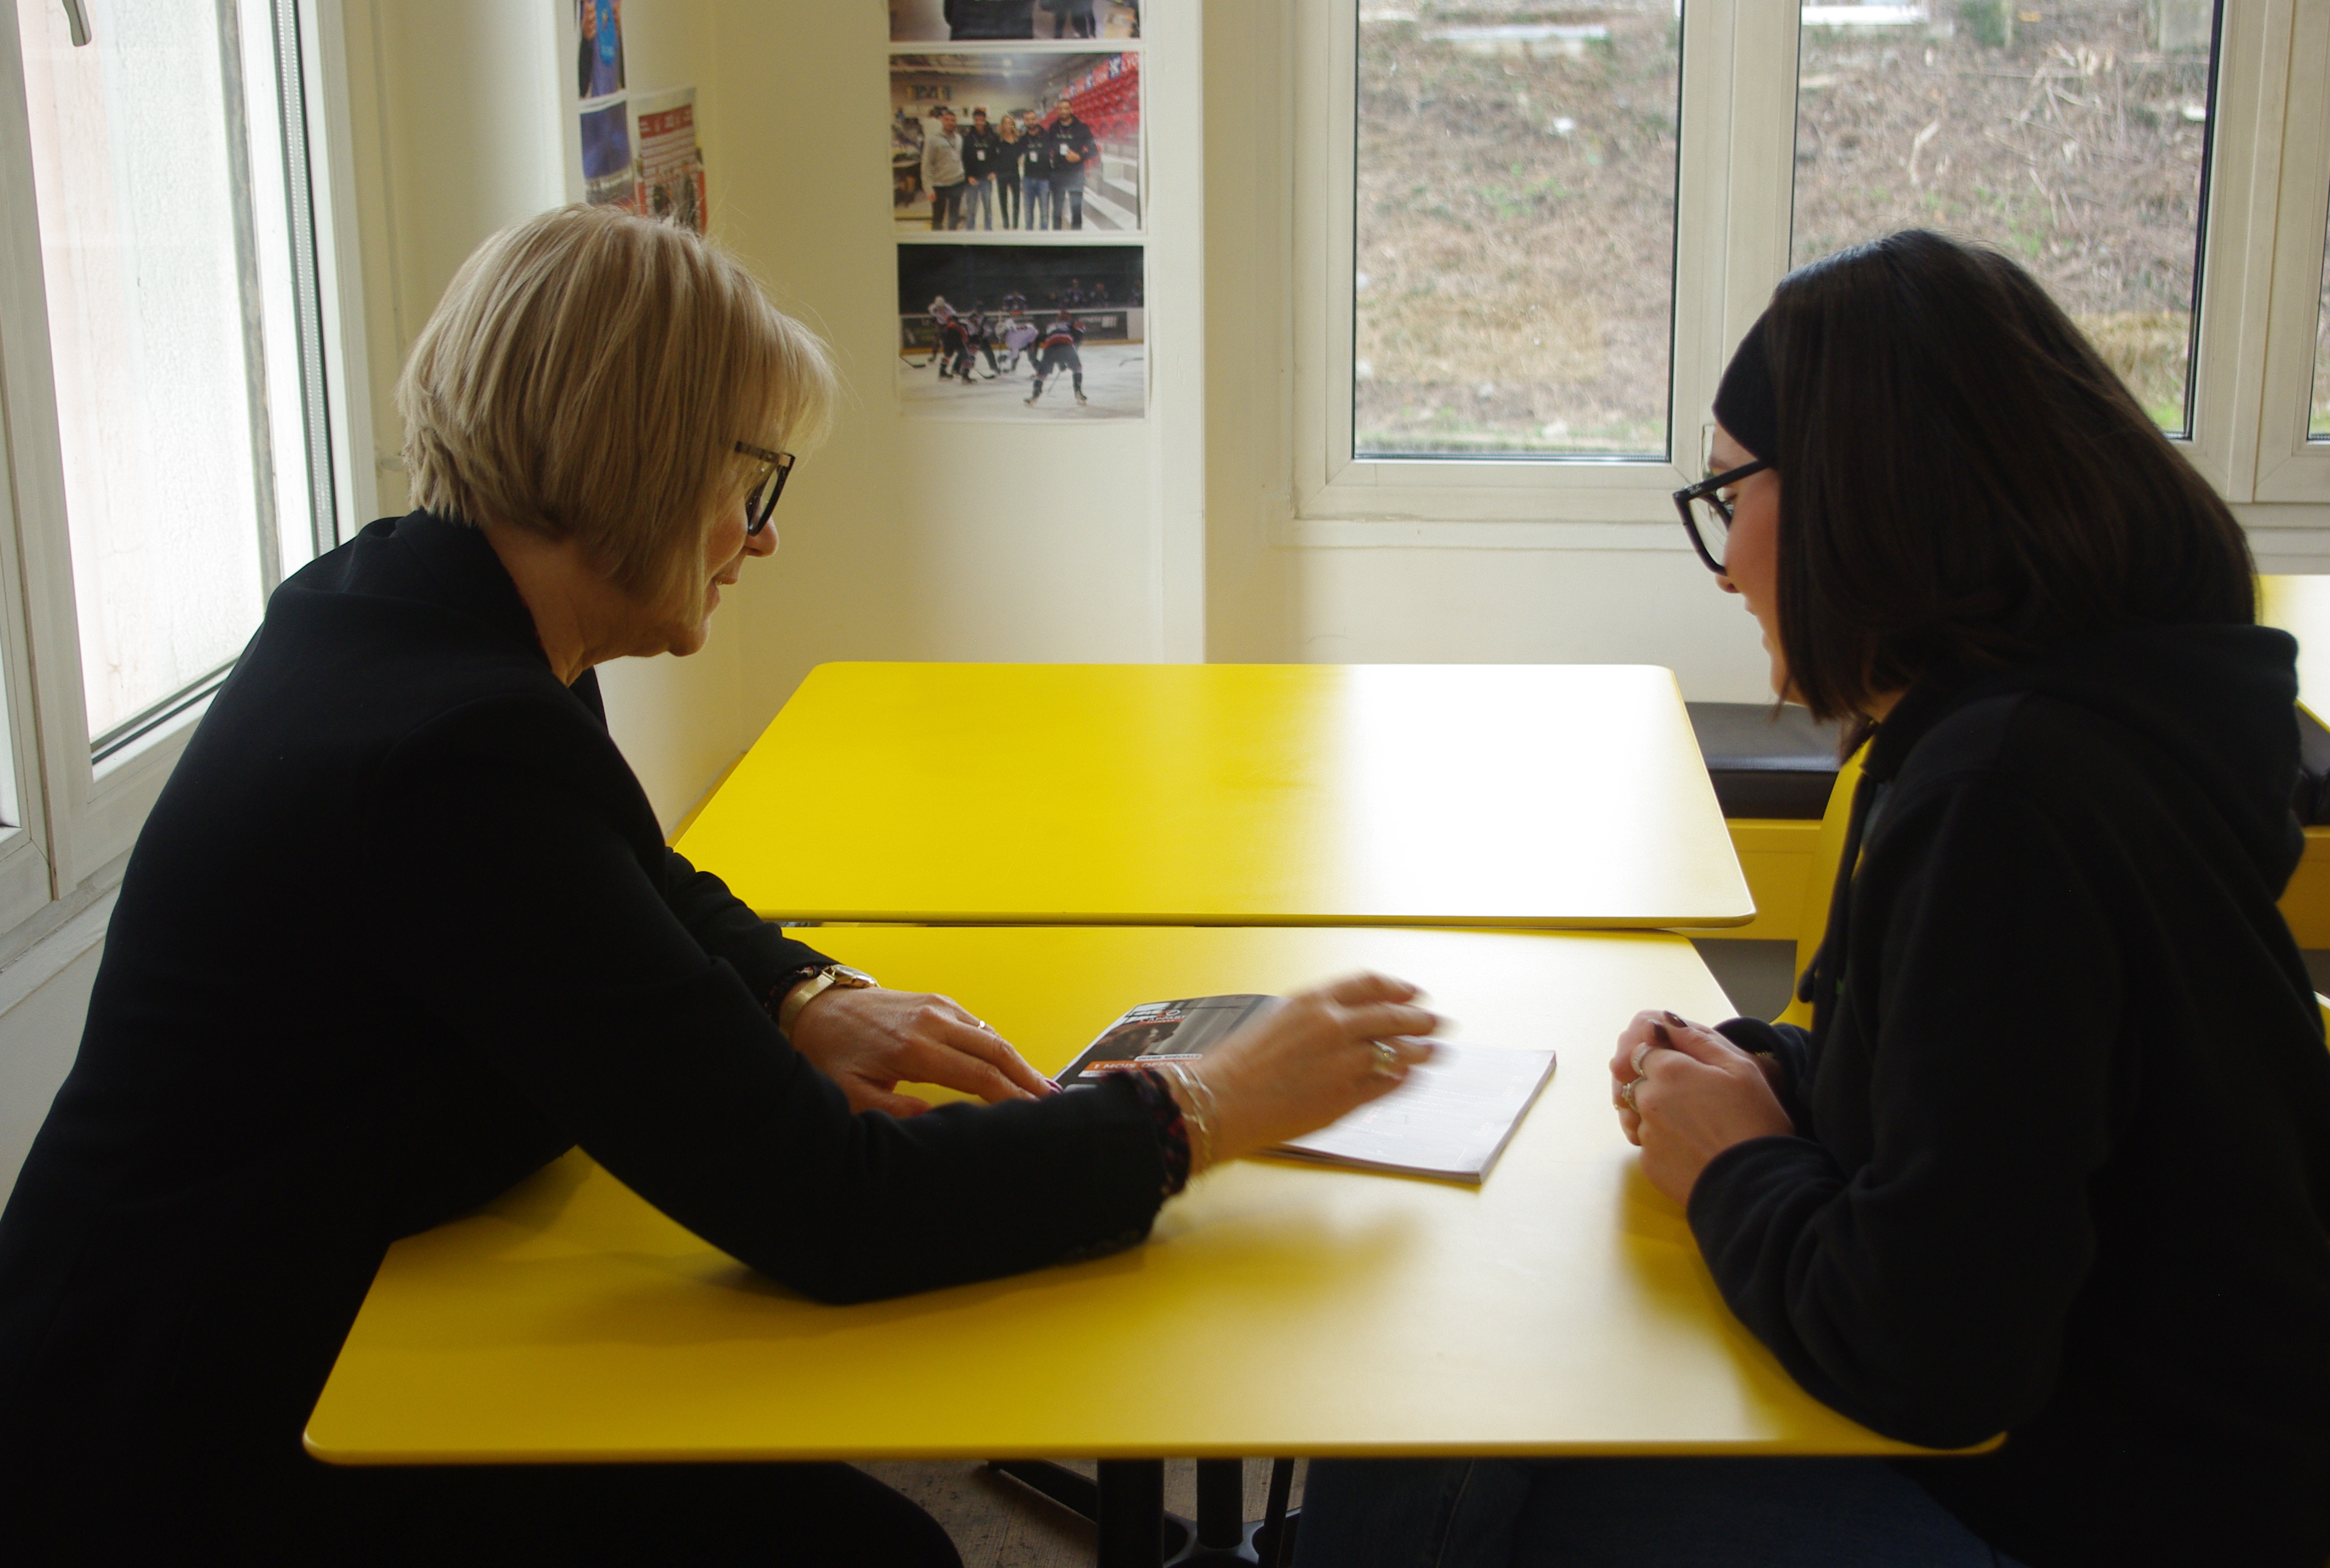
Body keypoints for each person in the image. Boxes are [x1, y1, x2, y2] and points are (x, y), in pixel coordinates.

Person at [0, 205, 1442, 1564]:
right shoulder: (455, 748)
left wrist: (799, 990)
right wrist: (1206, 1105)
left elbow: (629, 872)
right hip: (187, 1437)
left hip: (247, 1309)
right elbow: (836, 1209)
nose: (760, 536)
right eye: (748, 481)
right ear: (640, 456)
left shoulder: (401, 610)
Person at [1295, 229, 2330, 1568]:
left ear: (1864, 494)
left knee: (1464, 1442)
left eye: (1731, 496)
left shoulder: (2003, 802)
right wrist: (1768, 1070)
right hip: (2178, 1452)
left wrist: (1734, 1161)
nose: (1727, 562)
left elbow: (1933, 1355)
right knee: (1474, 1423)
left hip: (2093, 1507)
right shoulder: (2102, 722)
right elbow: (1997, 1095)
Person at [1045, 95, 1096, 229]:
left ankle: (1076, 242)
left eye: (1066, 108)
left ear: (1071, 110)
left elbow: (1094, 150)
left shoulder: (1082, 128)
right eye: (1060, 109)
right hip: (1058, 174)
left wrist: (1079, 157)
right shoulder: (1053, 128)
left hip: (1076, 175)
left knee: (1077, 211)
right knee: (1056, 212)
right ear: (1057, 111)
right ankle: (1056, 242)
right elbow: (1046, 148)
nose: (1063, 111)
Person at [1027, 309, 1085, 405]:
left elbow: (1051, 340)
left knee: (1041, 374)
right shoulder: (1072, 323)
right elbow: (1079, 334)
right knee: (1077, 368)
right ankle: (1078, 392)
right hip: (1066, 346)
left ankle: (1035, 395)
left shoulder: (1051, 326)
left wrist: (1060, 363)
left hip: (1050, 348)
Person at [921, 108, 965, 231]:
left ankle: (952, 241)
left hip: (957, 183)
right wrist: (928, 188)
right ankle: (937, 244)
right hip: (939, 185)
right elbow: (926, 165)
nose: (950, 122)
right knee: (938, 218)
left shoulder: (959, 138)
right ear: (941, 121)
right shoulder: (932, 140)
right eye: (947, 120)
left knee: (954, 216)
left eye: (953, 120)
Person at [959, 106, 1000, 231]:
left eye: (981, 120)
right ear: (974, 120)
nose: (979, 122)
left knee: (988, 208)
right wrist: (968, 176)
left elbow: (996, 157)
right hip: (972, 180)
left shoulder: (992, 137)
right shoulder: (968, 138)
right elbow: (964, 158)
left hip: (986, 179)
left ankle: (989, 232)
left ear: (985, 120)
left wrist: (995, 172)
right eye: (976, 120)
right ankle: (970, 234)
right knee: (971, 209)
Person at [1019, 111, 1053, 232]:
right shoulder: (1023, 139)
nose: (1031, 122)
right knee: (1028, 214)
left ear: (1038, 120)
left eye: (1033, 119)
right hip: (1028, 179)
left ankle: (1043, 240)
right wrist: (1013, 127)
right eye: (1027, 120)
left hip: (1044, 179)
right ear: (1024, 121)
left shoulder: (1047, 135)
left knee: (1044, 213)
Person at [995, 113, 1024, 228]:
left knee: (1016, 201)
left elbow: (1021, 155)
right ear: (1002, 125)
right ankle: (1006, 224)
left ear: (1013, 125)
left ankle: (1015, 224)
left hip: (1014, 173)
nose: (1008, 125)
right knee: (1003, 201)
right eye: (1005, 123)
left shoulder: (1018, 140)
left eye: (1010, 123)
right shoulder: (998, 140)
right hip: (1001, 174)